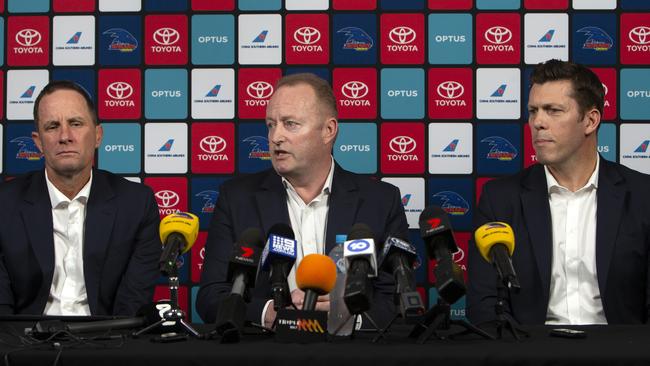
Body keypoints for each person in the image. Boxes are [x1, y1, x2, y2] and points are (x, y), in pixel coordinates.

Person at [197, 73, 409, 328]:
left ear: (328, 130)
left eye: (290, 124)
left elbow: (397, 299)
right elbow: (211, 297)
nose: (276, 137)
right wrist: (269, 313)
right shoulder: (236, 198)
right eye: (270, 124)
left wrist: (348, 315)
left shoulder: (381, 200)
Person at [467, 59, 650, 325]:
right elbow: (484, 305)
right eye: (533, 111)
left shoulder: (643, 195)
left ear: (590, 120)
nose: (538, 122)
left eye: (553, 110)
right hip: (530, 355)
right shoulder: (499, 199)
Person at [0, 80, 161, 316]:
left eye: (75, 123)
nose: (65, 136)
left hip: (108, 344)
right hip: (24, 344)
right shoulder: (5, 204)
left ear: (97, 136)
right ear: (38, 143)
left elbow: (131, 305)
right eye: (52, 126)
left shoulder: (136, 204)